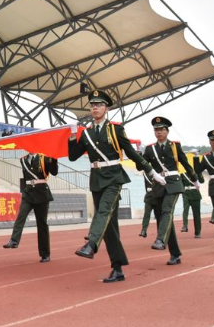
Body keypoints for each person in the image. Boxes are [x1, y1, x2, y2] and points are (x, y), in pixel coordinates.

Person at [68, 90, 164, 283]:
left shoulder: (115, 129)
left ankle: (91, 245)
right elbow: (73, 156)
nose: (95, 107)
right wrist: (72, 136)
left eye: (99, 104)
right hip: (96, 179)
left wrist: (151, 171)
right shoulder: (86, 133)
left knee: (102, 212)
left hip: (114, 177)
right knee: (110, 227)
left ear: (107, 108)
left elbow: (131, 152)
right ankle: (118, 268)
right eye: (92, 105)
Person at [141, 117, 200, 266]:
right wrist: (137, 158)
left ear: (167, 131)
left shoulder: (175, 146)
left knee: (167, 211)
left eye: (161, 129)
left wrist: (194, 178)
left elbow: (185, 163)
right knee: (164, 219)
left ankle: (160, 240)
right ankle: (175, 254)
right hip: (158, 185)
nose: (159, 132)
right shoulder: (149, 149)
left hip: (173, 184)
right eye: (156, 129)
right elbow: (140, 166)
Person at [3, 152, 59, 263]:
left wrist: (54, 159)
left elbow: (54, 172)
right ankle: (14, 240)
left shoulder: (44, 158)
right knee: (21, 215)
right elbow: (25, 177)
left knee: (42, 224)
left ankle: (45, 254)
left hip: (41, 192)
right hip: (28, 192)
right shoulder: (23, 159)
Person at [139, 171, 154, 238]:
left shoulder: (158, 172)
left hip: (158, 195)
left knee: (160, 215)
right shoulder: (146, 173)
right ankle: (143, 230)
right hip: (149, 196)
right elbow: (146, 185)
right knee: (146, 214)